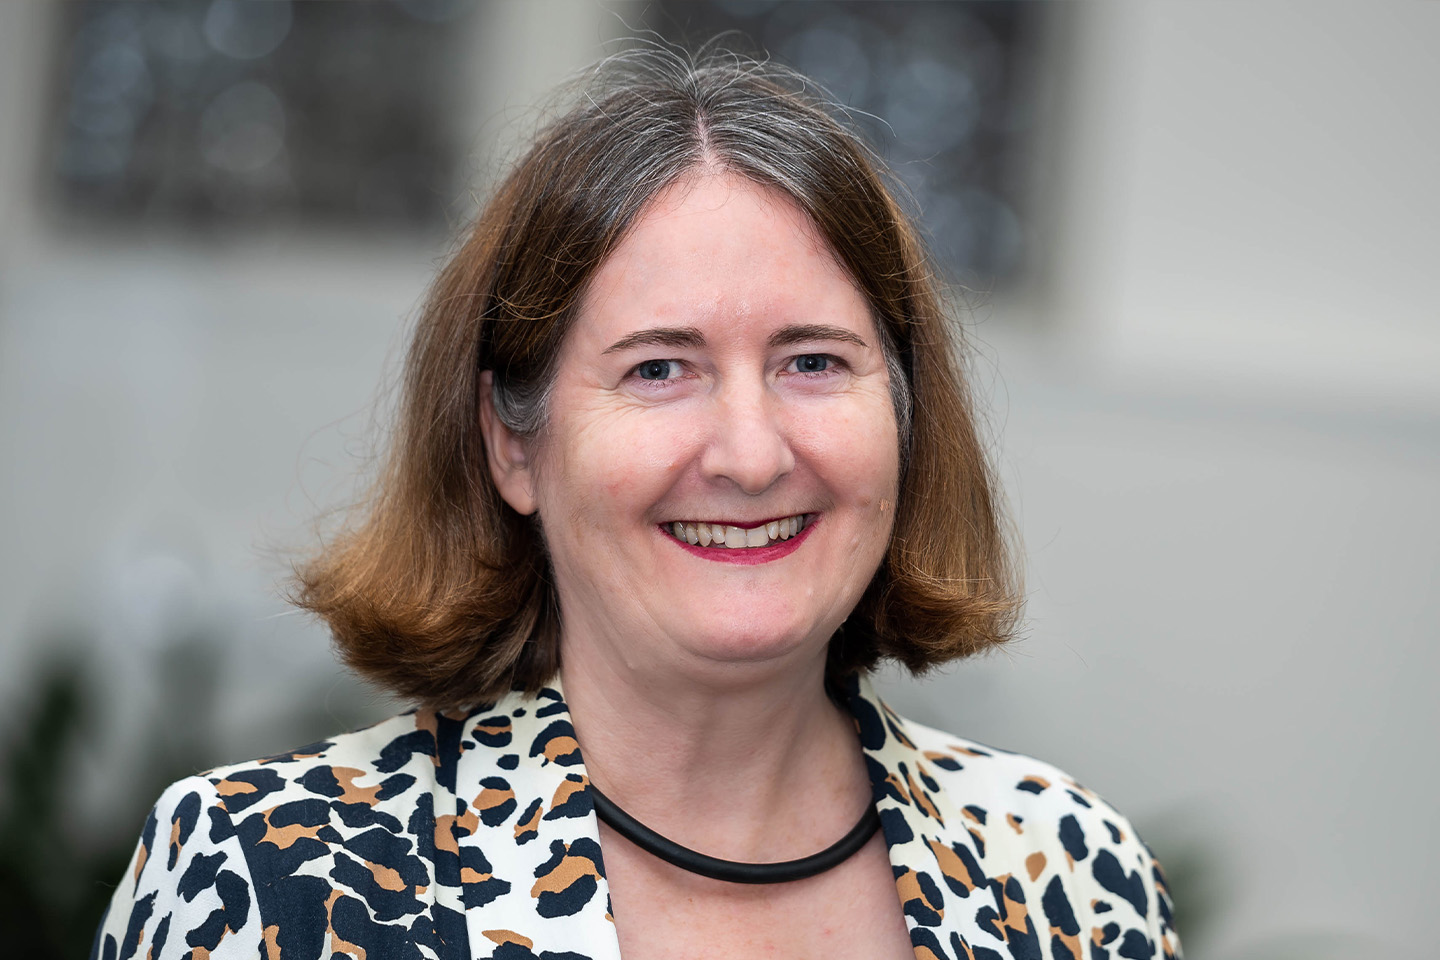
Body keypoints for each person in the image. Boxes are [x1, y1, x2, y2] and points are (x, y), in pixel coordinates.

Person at [93, 48, 1181, 960]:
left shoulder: (1071, 883)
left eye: (812, 362)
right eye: (661, 369)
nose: (751, 455)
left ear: (904, 417)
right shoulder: (266, 876)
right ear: (511, 444)